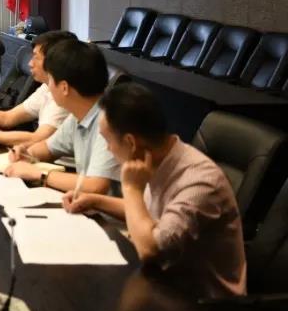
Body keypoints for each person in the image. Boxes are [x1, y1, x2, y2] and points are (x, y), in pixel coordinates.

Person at [63, 82, 245, 298]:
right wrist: (95, 201)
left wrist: (131, 188)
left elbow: (150, 249)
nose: (108, 149)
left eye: (107, 141)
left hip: (200, 304)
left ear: (131, 142)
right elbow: (146, 212)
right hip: (161, 283)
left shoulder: (201, 182)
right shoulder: (164, 157)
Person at [4, 39, 121, 194]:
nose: (48, 87)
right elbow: (48, 148)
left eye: (50, 80)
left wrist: (39, 174)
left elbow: (95, 186)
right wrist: (27, 154)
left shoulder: (111, 121)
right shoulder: (78, 115)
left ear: (64, 87)